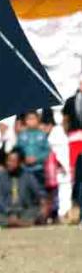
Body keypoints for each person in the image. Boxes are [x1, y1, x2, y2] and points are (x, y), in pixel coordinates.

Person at [0, 149, 46, 228]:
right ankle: (16, 223)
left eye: (13, 161)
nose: (9, 163)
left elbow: (38, 192)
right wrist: (8, 212)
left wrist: (43, 203)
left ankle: (14, 223)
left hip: (23, 211)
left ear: (20, 163)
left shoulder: (28, 176)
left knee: (37, 211)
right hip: (5, 213)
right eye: (8, 160)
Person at [61, 76, 82, 217]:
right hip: (75, 139)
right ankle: (75, 205)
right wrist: (68, 133)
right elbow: (65, 120)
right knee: (76, 172)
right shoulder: (70, 101)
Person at [16, 111, 50, 187]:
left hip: (39, 169)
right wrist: (24, 158)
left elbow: (47, 151)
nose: (31, 121)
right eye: (29, 119)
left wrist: (37, 158)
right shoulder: (21, 135)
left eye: (33, 118)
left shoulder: (42, 135)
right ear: (25, 121)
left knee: (39, 192)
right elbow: (17, 151)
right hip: (25, 170)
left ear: (38, 120)